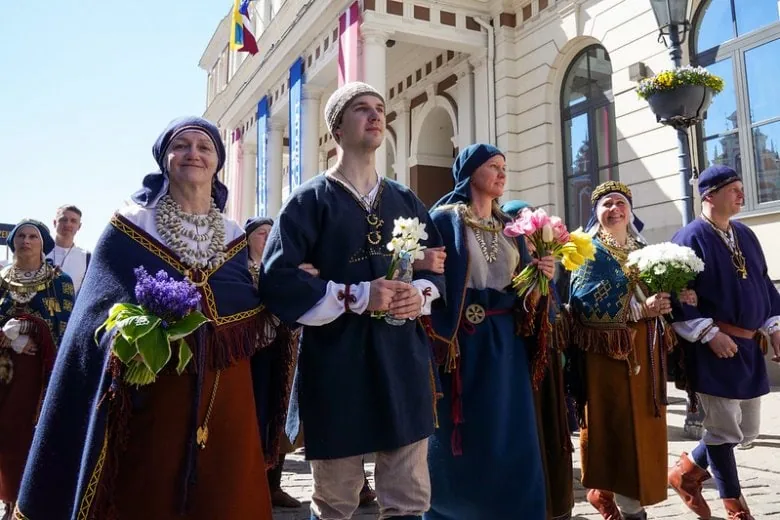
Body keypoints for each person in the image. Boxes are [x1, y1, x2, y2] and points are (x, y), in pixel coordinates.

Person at [15, 117, 292, 520]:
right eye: (182, 145)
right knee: (147, 493)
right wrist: (133, 334)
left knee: (225, 496)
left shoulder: (232, 234)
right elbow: (95, 312)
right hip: (149, 395)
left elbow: (244, 311)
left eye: (204, 147)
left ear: (217, 163)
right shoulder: (129, 224)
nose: (193, 153)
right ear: (165, 159)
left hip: (223, 398)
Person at [259, 82, 445, 520]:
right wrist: (357, 295)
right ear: (337, 129)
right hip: (337, 360)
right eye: (361, 108)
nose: (375, 115)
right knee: (337, 495)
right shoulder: (309, 201)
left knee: (408, 493)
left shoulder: (404, 199)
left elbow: (439, 267)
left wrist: (418, 297)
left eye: (379, 108)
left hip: (401, 358)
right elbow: (277, 279)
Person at [421, 145, 552, 520]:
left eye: (504, 167)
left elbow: (524, 294)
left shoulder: (511, 229)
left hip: (507, 344)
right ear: (470, 173)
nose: (501, 172)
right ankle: (451, 510)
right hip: (461, 345)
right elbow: (427, 279)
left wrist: (540, 277)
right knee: (461, 431)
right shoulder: (444, 220)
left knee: (509, 430)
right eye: (492, 166)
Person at [569, 181, 692, 520]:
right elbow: (582, 301)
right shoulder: (588, 249)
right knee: (616, 428)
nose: (615, 209)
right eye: (606, 203)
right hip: (608, 356)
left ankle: (622, 495)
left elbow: (654, 292)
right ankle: (627, 505)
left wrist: (675, 297)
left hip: (646, 353)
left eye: (620, 203)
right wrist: (638, 310)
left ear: (630, 211)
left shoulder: (644, 247)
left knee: (644, 426)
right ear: (596, 212)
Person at [669, 165, 780, 520]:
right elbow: (677, 297)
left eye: (741, 188)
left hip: (748, 346)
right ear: (709, 195)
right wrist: (708, 334)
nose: (741, 195)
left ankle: (686, 473)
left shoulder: (745, 234)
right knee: (721, 429)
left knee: (746, 431)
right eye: (734, 189)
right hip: (713, 347)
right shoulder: (689, 238)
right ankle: (735, 506)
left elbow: (763, 283)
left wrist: (774, 326)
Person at [501, 199, 574, 520]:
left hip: (550, 360)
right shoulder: (509, 264)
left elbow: (557, 307)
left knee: (552, 426)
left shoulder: (547, 262)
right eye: (521, 225)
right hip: (521, 361)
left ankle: (556, 501)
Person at [0, 220, 73, 519]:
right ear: (12, 242)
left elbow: (65, 327)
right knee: (4, 433)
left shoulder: (60, 281)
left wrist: (32, 328)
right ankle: (6, 499)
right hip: (3, 369)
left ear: (44, 243)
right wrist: (7, 338)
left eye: (32, 236)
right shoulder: (1, 279)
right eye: (21, 236)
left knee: (29, 432)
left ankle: (26, 500)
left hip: (38, 375)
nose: (26, 241)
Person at [46, 205, 90, 294]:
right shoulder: (39, 252)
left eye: (73, 221)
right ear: (55, 223)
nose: (68, 224)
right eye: (63, 220)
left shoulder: (86, 257)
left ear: (79, 226)